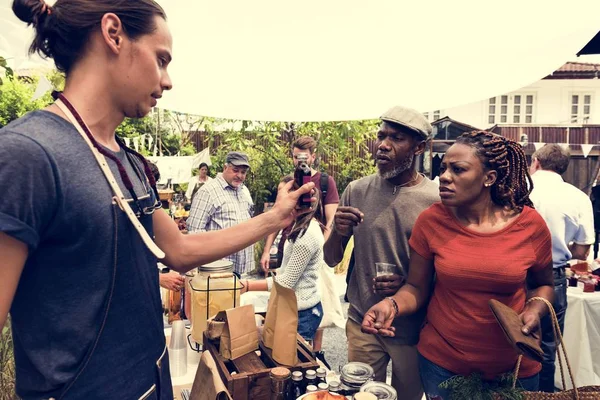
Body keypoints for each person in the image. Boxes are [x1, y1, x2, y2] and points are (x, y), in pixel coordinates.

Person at [0, 1, 314, 398]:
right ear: (113, 34)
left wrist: (276, 217)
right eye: (161, 59)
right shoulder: (26, 154)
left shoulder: (128, 162)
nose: (167, 81)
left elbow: (178, 249)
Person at [361, 131, 554, 399]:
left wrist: (535, 310)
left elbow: (543, 284)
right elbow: (415, 286)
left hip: (514, 369)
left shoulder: (530, 225)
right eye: (443, 169)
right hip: (443, 366)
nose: (444, 176)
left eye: (458, 169)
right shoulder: (432, 221)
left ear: (489, 178)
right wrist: (391, 304)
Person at [323, 106, 439, 400]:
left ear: (419, 147)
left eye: (397, 138)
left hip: (411, 330)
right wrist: (337, 229)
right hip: (362, 322)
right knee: (360, 396)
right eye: (381, 136)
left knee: (407, 397)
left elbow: (447, 271)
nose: (383, 145)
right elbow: (330, 258)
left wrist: (406, 285)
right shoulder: (356, 190)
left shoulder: (435, 201)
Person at [529, 144, 594, 393]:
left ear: (536, 161)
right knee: (546, 347)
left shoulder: (518, 188)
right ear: (563, 168)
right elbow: (581, 252)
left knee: (505, 339)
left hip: (511, 273)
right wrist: (558, 245)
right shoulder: (578, 197)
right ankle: (542, 396)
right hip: (553, 276)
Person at [242, 176, 325, 341]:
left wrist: (248, 285)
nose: (279, 201)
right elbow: (284, 270)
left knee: (294, 362)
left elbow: (287, 282)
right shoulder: (298, 224)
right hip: (294, 308)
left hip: (303, 313)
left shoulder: (307, 235)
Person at [260, 136, 340, 273]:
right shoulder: (288, 182)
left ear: (313, 157)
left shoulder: (325, 181)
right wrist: (267, 251)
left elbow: (331, 221)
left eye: (304, 157)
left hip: (313, 249)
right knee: (285, 291)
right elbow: (277, 216)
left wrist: (321, 252)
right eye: (296, 157)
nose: (299, 161)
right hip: (287, 247)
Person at [186, 152, 255, 275]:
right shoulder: (208, 191)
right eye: (235, 170)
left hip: (243, 269)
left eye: (243, 172)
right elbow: (195, 231)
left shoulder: (243, 190)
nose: (239, 175)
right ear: (225, 167)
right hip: (218, 270)